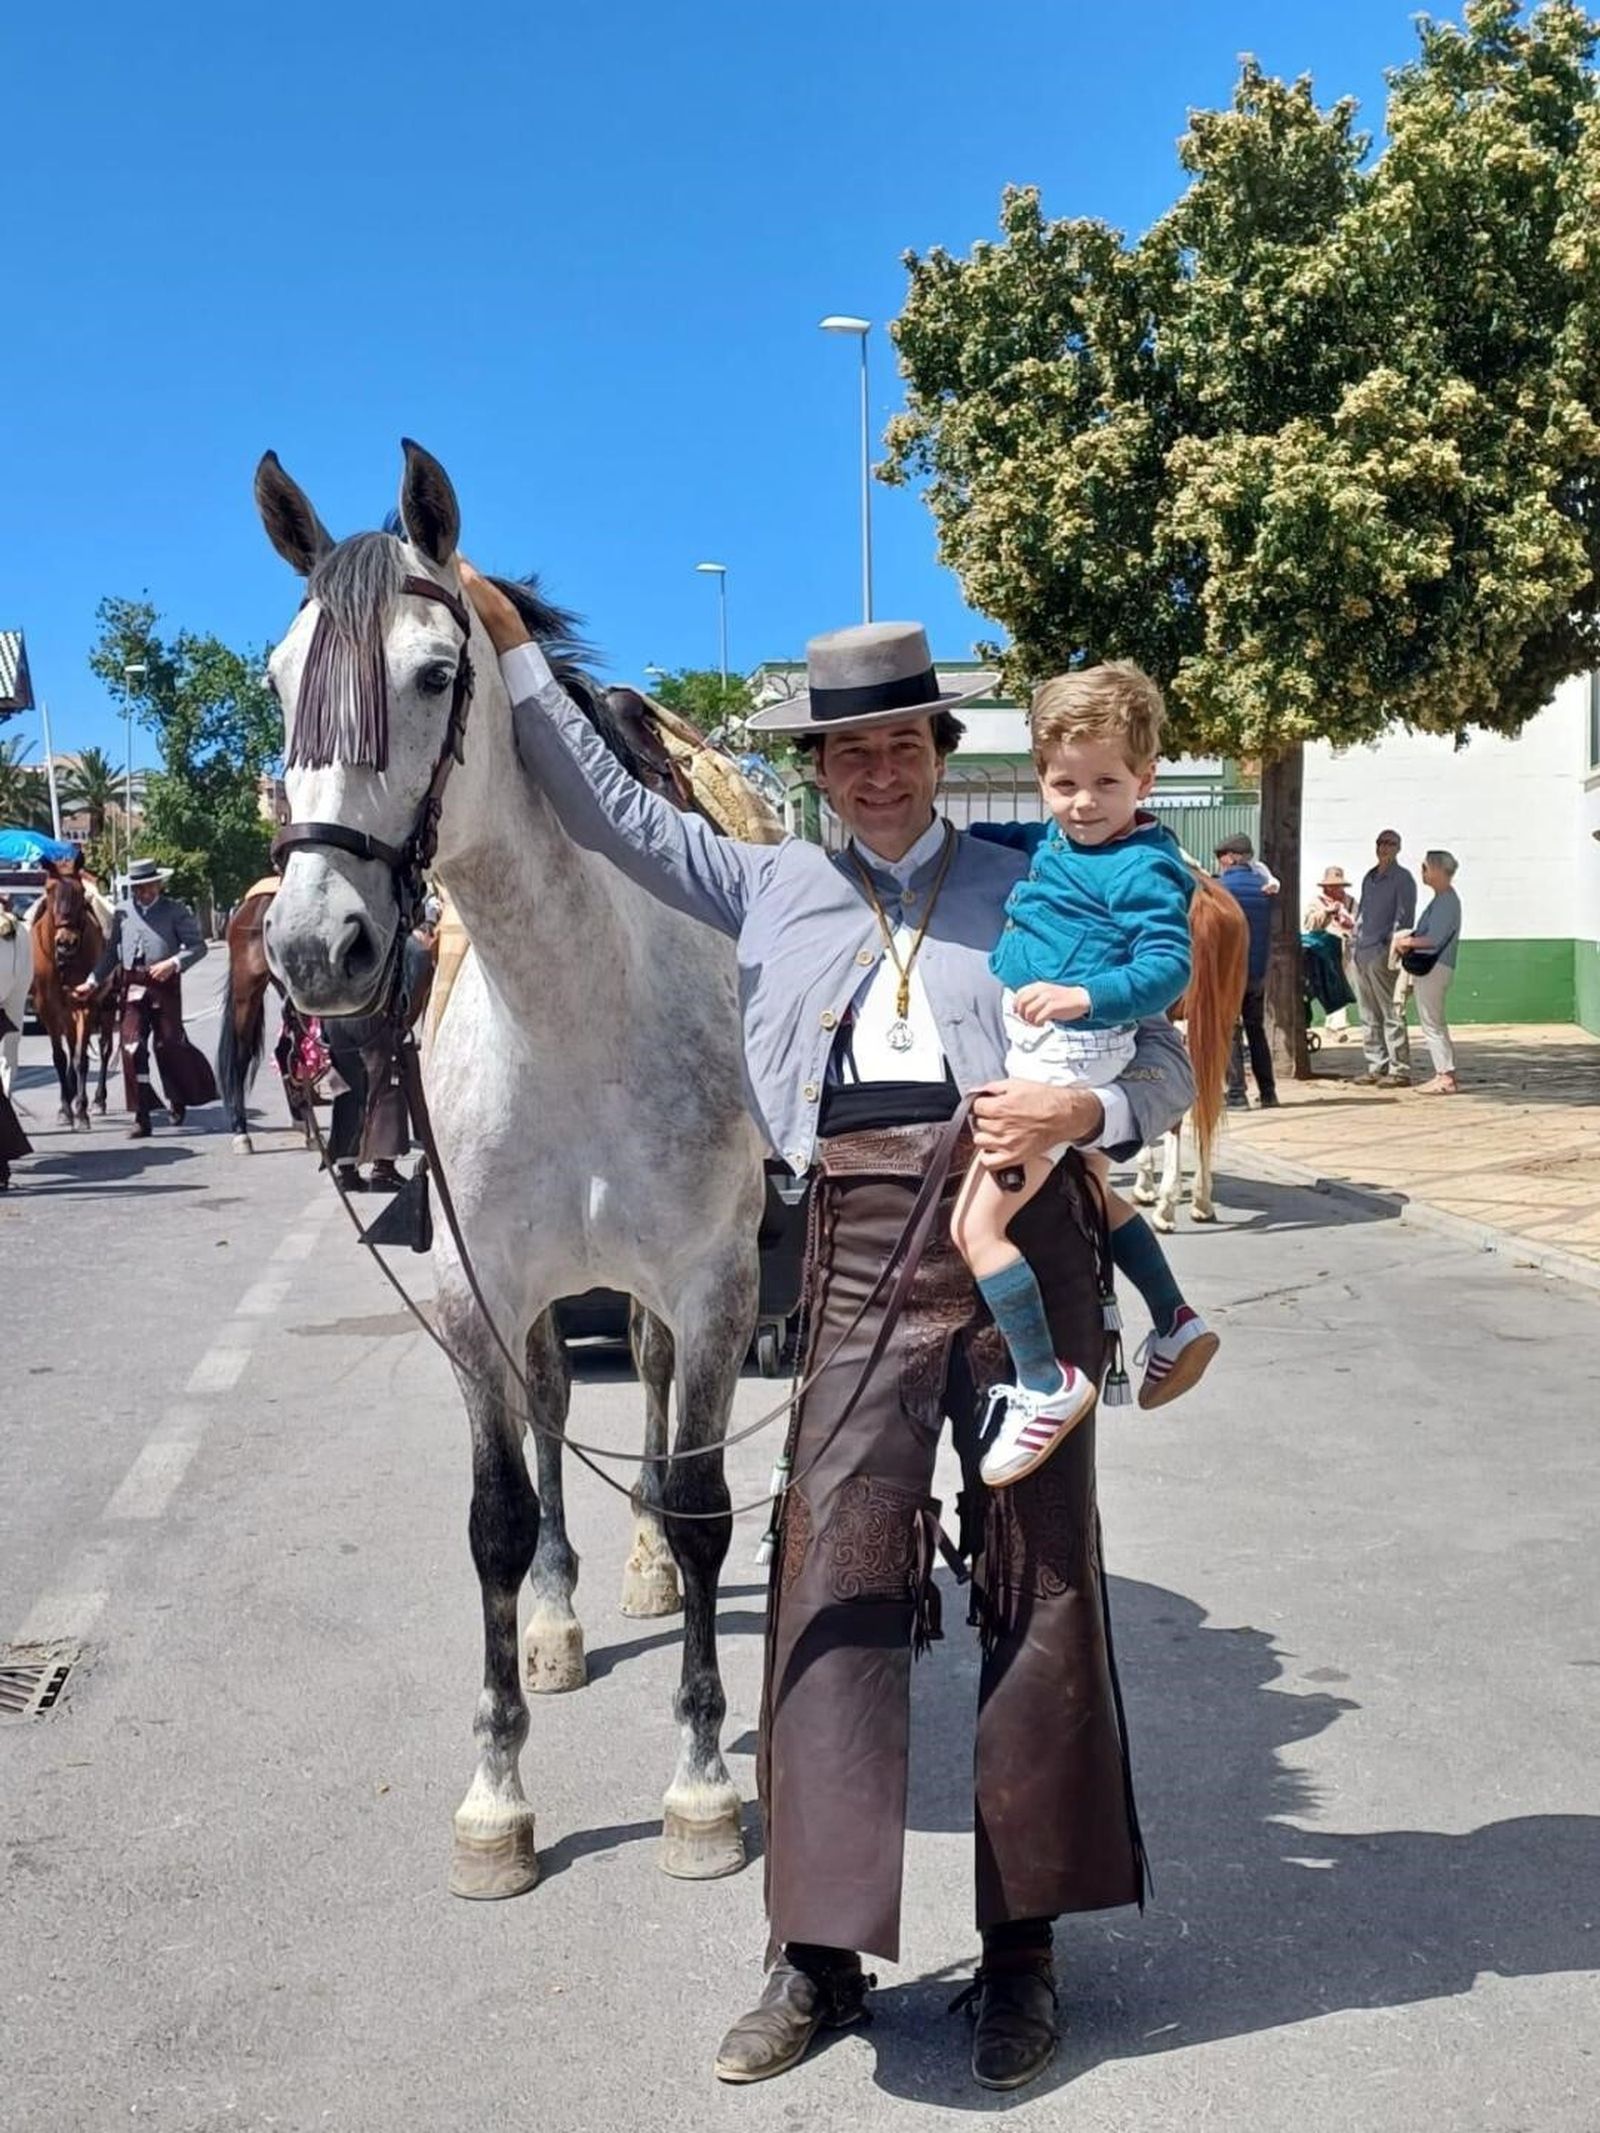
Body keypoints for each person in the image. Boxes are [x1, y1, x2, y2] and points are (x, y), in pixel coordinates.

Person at [459, 571, 1192, 2095]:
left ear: (939, 750)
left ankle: (1024, 1953)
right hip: (853, 1242)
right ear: (817, 768)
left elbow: (1168, 1062)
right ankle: (818, 1954)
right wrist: (519, 654)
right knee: (829, 1583)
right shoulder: (763, 880)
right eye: (848, 752)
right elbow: (603, 806)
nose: (876, 772)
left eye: (902, 745)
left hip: (1026, 1233)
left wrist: (1091, 1113)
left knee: (1040, 1580)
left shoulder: (1033, 877)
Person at [954, 663, 1219, 1475]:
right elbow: (1021, 842)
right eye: (1064, 784)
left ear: (1146, 779)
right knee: (1093, 1193)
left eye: (1106, 783)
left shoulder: (1141, 866)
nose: (1083, 803)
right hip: (1059, 1045)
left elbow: (1168, 968)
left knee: (976, 1228)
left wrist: (1084, 996)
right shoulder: (1061, 841)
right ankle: (1174, 1316)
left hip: (1064, 1055)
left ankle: (1044, 1381)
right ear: (1042, 779)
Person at [77, 858, 216, 1137]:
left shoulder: (175, 910)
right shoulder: (123, 912)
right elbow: (112, 953)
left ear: (159, 884)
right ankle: (142, 1114)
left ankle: (178, 1095)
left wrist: (173, 963)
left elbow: (198, 947)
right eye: (139, 888)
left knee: (169, 1045)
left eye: (149, 886)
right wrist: (92, 981)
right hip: (132, 985)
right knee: (132, 1048)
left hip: (164, 985)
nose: (144, 892)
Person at [1215, 834, 1279, 1108]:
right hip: (1257, 971)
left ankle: (1237, 1094)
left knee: (1230, 1030)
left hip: (1229, 973)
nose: (1219, 864)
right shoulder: (1264, 888)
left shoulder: (1219, 889)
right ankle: (1268, 1092)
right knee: (1256, 1029)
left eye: (1220, 858)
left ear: (1231, 858)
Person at [1395, 850, 1463, 1094]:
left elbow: (1433, 939)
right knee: (1434, 1021)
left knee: (1432, 1023)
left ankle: (1445, 1076)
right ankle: (1444, 1073)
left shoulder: (1446, 901)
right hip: (1437, 967)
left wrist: (1406, 942)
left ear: (1437, 870)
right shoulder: (1443, 900)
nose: (1422, 872)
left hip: (1434, 967)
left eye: (1425, 867)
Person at [1352, 829, 1416, 1086]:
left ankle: (1400, 1069)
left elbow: (1404, 917)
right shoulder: (1369, 877)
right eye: (1380, 842)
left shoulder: (1403, 879)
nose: (1384, 847)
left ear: (1398, 848)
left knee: (1391, 1011)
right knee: (1367, 1013)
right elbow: (1363, 912)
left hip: (1382, 952)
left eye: (1390, 843)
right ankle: (1376, 1065)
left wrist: (1389, 947)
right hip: (1361, 951)